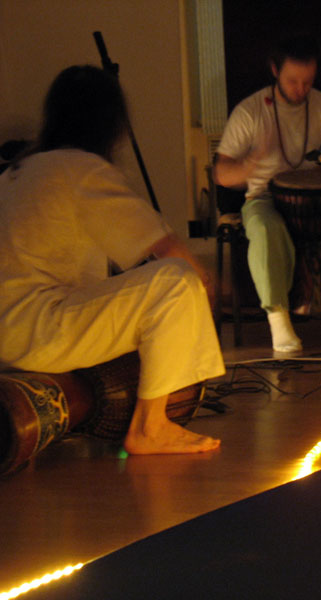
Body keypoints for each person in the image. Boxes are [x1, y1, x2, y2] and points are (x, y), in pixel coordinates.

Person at [0, 65, 224, 455]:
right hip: (33, 331)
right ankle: (150, 427)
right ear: (110, 126)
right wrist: (208, 290)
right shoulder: (80, 168)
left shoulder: (14, 173)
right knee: (176, 280)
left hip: (13, 331)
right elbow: (170, 251)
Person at [214, 34, 321, 352]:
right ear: (275, 70)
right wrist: (252, 162)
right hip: (266, 198)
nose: (300, 89)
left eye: (308, 81)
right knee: (265, 228)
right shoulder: (250, 111)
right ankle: (280, 323)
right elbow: (222, 173)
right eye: (292, 81)